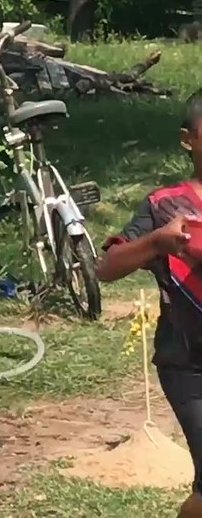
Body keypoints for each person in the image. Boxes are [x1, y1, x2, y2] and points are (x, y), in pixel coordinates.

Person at [97, 90, 202, 518]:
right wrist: (158, 243)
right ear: (188, 140)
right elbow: (107, 267)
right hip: (189, 364)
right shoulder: (166, 207)